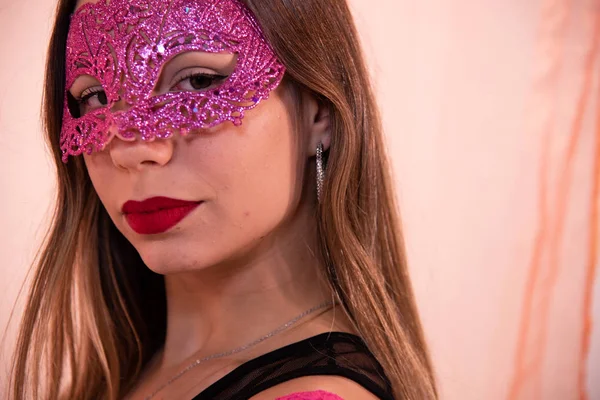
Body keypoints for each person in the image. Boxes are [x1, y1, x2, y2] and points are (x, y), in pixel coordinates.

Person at [9, 0, 437, 399]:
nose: (128, 148)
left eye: (197, 82)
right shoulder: (126, 374)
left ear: (317, 111)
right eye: (95, 97)